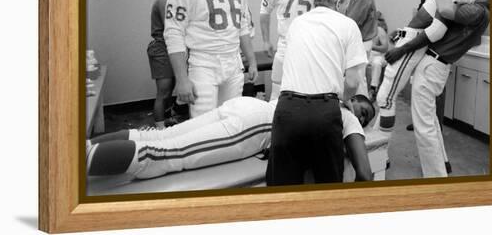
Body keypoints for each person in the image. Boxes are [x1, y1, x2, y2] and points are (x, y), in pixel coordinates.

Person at [86, 95, 375, 181]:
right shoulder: (345, 117)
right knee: (162, 155)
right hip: (258, 124)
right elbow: (365, 171)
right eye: (363, 111)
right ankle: (66, 166)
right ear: (352, 101)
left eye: (366, 118)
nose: (361, 118)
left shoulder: (320, 89)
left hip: (247, 106)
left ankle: (82, 149)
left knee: (161, 136)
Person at [265, 0, 368, 186]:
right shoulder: (347, 25)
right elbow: (352, 82)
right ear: (339, 2)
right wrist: (345, 100)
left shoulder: (298, 24)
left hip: (286, 110)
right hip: (323, 112)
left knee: (281, 192)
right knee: (327, 190)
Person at [385, 0, 490, 177]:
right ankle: (444, 162)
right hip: (439, 66)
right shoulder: (482, 14)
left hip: (433, 64)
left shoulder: (477, 10)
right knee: (431, 119)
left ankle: (436, 176)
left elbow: (445, 10)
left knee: (423, 126)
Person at [375, 0, 485, 132]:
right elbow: (421, 20)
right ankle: (380, 150)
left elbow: (437, 29)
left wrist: (402, 50)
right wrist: (400, 35)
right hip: (411, 38)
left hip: (417, 45)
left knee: (386, 98)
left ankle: (381, 150)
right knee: (387, 96)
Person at [164, 0, 258, 118]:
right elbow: (174, 33)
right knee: (203, 125)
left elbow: (242, 26)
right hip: (204, 63)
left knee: (231, 120)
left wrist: (251, 61)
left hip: (233, 61)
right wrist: (182, 79)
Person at [260, 0, 318, 100]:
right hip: (285, 44)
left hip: (308, 46)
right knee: (277, 91)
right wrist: (265, 40)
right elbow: (264, 13)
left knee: (305, 90)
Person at [407, 0, 448, 131]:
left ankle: (437, 125)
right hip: (422, 40)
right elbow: (421, 13)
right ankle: (418, 121)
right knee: (418, 84)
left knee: (436, 89)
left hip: (440, 44)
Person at [147, 0, 188, 127]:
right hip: (162, 49)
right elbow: (174, 29)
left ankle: (166, 120)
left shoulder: (173, 1)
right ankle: (159, 128)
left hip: (172, 49)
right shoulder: (164, 1)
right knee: (163, 92)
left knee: (170, 90)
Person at [368, 12, 390, 102]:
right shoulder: (363, 30)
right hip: (366, 54)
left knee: (377, 63)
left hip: (378, 55)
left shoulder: (379, 30)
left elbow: (385, 48)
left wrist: (372, 46)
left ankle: (373, 89)